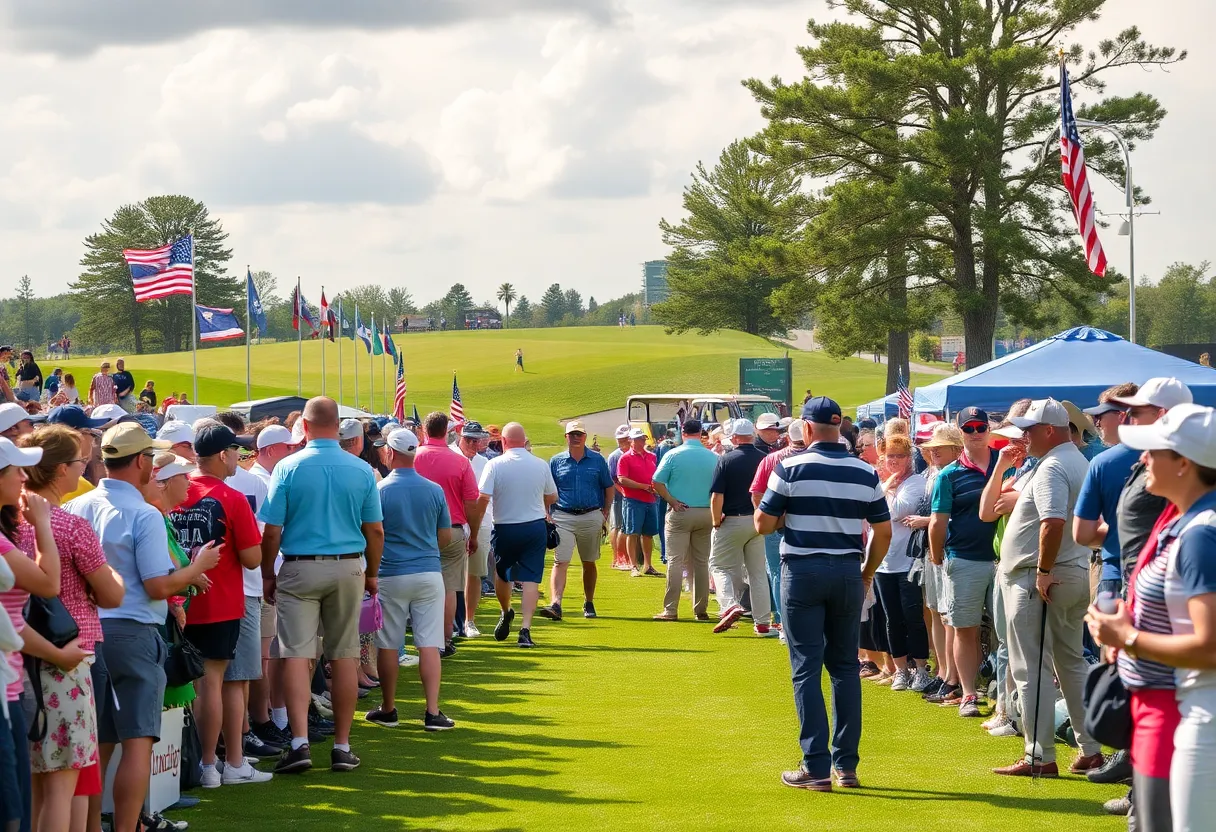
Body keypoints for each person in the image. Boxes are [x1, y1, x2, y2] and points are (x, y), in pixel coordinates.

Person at [65, 423, 218, 832]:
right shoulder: (144, 514)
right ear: (140, 462)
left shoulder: (78, 506)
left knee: (99, 743)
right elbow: (157, 584)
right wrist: (195, 568)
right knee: (137, 742)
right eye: (150, 458)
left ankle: (94, 826)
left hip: (86, 634)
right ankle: (128, 826)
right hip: (133, 632)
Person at [1086, 403, 1216, 832]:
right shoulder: (1184, 524)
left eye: (1152, 450)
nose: (1142, 459)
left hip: (1195, 712)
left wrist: (1128, 638)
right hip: (1177, 707)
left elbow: (1211, 647)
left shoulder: (1200, 534)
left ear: (1184, 463)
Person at [756, 397, 891, 791]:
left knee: (806, 669)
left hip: (802, 571)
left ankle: (815, 766)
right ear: (839, 427)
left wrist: (785, 515)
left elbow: (763, 524)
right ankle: (845, 767)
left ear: (808, 429)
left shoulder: (790, 467)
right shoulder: (865, 472)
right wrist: (866, 573)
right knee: (846, 669)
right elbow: (882, 532)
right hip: (848, 572)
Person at [259, 397, 384, 775]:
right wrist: (373, 573)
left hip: (299, 566)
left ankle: (299, 742)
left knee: (297, 654)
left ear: (306, 427)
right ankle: (342, 746)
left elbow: (272, 530)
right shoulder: (361, 470)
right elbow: (375, 530)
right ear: (341, 427)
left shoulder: (288, 466)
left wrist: (268, 573)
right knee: (343, 655)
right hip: (348, 566)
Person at [18, 428, 125, 832]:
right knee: (64, 783)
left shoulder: (12, 524)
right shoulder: (68, 526)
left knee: (35, 782)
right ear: (62, 469)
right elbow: (112, 594)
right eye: (81, 463)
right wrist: (108, 576)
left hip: (19, 655)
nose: (85, 469)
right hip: (68, 656)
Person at [988, 399, 1102, 777]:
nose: (1024, 435)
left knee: (1029, 666)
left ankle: (1040, 755)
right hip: (1070, 573)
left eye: (1029, 429)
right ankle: (1089, 748)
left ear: (1050, 430)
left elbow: (1052, 523)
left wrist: (1041, 569)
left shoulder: (1054, 465)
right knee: (1069, 662)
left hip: (1041, 578)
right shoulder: (1076, 461)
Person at [364, 428, 455, 731]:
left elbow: (372, 535)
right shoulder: (433, 489)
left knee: (389, 644)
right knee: (429, 643)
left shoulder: (380, 491)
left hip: (391, 574)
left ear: (390, 453)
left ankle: (389, 708)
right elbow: (443, 535)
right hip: (428, 572)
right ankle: (432, 712)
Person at [928, 406, 997, 717]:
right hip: (965, 558)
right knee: (964, 628)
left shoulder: (1008, 464)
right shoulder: (948, 474)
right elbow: (937, 522)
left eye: (980, 426)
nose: (976, 432)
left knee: (1005, 631)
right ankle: (969, 694)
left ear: (988, 429)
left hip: (1004, 559)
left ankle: (1005, 698)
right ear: (961, 433)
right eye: (969, 428)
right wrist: (937, 556)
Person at [476, 423, 557, 649]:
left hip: (505, 527)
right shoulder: (540, 464)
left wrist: (475, 525)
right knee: (531, 579)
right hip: (533, 526)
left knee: (503, 574)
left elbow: (483, 497)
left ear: (503, 441)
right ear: (524, 441)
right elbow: (552, 495)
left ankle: (506, 611)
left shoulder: (494, 464)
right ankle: (525, 629)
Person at [414, 412, 480, 657]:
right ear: (447, 432)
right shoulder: (460, 462)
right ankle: (444, 639)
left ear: (424, 430)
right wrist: (472, 534)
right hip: (451, 529)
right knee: (449, 586)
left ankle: (424, 640)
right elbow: (471, 502)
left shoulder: (414, 457)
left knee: (418, 585)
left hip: (417, 530)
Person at [871, 434, 929, 691]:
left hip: (907, 560)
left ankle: (920, 669)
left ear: (909, 458)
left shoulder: (916, 482)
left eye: (899, 456)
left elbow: (895, 511)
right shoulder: (881, 483)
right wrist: (885, 488)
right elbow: (869, 512)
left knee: (912, 617)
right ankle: (900, 670)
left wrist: (887, 491)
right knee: (891, 618)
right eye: (889, 456)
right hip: (882, 561)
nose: (893, 461)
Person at [542, 421, 614, 621]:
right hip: (562, 516)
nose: (575, 437)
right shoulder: (556, 461)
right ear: (566, 437)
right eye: (572, 434)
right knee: (560, 561)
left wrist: (605, 513)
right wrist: (547, 513)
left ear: (585, 436)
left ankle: (588, 601)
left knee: (588, 562)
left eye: (579, 434)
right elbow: (548, 490)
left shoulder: (598, 460)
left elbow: (609, 487)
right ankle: (556, 603)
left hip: (591, 515)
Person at [709, 419, 772, 635]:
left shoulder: (726, 459)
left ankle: (729, 605)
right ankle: (763, 623)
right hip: (758, 521)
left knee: (719, 566)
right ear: (752, 436)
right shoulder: (765, 459)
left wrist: (716, 520)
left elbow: (717, 495)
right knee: (757, 574)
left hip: (732, 519)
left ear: (735, 437)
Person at [652, 419, 718, 622]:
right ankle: (701, 609)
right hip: (706, 512)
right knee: (701, 562)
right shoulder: (713, 456)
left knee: (675, 561)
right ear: (701, 432)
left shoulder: (673, 454)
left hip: (681, 512)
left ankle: (670, 609)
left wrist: (671, 500)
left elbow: (656, 482)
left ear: (683, 431)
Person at [450, 422, 492, 637]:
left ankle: (469, 620)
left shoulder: (485, 462)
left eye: (477, 440)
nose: (474, 444)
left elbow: (486, 498)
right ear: (460, 437)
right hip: (454, 523)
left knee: (474, 574)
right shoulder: (449, 456)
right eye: (470, 439)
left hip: (480, 523)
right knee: (451, 575)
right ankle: (452, 623)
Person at [617, 428, 661, 578]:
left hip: (650, 499)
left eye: (642, 439)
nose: (641, 441)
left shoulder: (652, 456)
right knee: (632, 533)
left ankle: (648, 565)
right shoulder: (625, 458)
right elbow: (622, 479)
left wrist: (654, 488)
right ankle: (633, 566)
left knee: (648, 534)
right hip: (633, 500)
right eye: (637, 439)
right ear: (631, 440)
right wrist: (643, 486)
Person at [605, 425, 631, 570]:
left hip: (630, 496)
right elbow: (612, 479)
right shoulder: (615, 456)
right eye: (622, 440)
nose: (625, 442)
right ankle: (617, 558)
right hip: (619, 497)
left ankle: (626, 556)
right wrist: (624, 492)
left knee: (626, 527)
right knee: (617, 526)